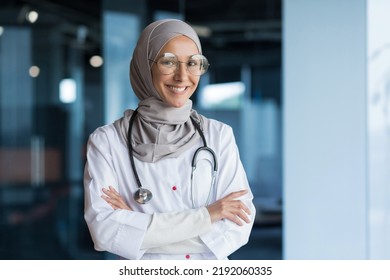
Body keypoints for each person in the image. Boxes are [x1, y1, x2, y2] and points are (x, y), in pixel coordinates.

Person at [83, 18, 256, 260]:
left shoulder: (219, 136)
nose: (182, 76)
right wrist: (208, 216)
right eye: (168, 62)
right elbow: (105, 231)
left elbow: (237, 229)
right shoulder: (107, 142)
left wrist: (138, 227)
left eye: (193, 63)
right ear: (145, 65)